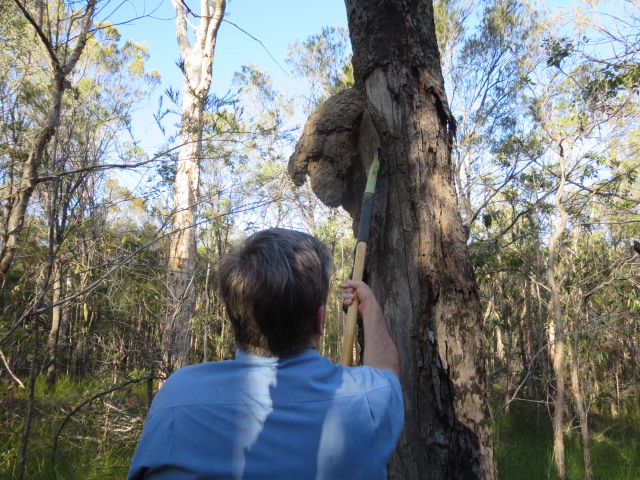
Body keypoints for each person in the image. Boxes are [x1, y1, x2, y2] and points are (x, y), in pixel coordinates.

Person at [128, 228, 403, 480]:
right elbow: (387, 372)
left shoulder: (178, 394)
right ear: (320, 321)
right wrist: (369, 307)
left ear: (235, 316)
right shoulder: (368, 397)